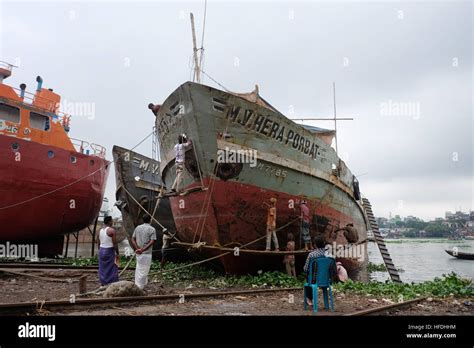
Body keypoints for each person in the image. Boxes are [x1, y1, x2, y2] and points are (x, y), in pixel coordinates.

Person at [303, 235, 337, 306]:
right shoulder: (330, 254)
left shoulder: (311, 255)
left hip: (313, 280)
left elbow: (305, 269)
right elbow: (334, 269)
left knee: (309, 276)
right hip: (327, 280)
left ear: (315, 245)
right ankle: (326, 304)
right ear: (324, 243)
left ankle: (309, 299)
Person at [131, 214, 157, 289]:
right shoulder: (152, 229)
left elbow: (132, 239)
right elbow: (152, 241)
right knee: (144, 271)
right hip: (147, 253)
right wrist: (142, 249)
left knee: (139, 269)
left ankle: (140, 284)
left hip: (138, 253)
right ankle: (140, 287)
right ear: (150, 220)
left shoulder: (137, 228)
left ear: (143, 220)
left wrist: (137, 248)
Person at [97, 216, 119, 286]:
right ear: (109, 221)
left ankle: (103, 282)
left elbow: (98, 242)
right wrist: (117, 253)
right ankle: (112, 282)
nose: (112, 222)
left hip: (101, 250)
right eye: (112, 221)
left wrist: (99, 250)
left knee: (102, 267)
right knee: (113, 266)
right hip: (109, 250)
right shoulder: (111, 230)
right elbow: (115, 243)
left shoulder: (99, 230)